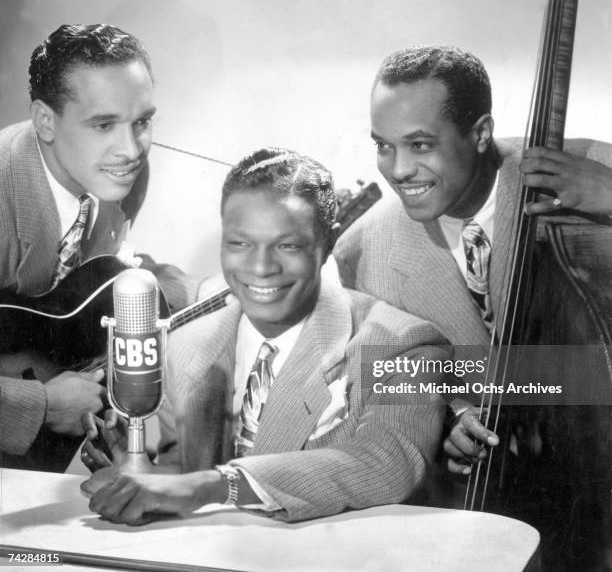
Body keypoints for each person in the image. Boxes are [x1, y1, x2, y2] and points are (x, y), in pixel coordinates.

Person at [334, 46, 612, 570]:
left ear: (481, 133)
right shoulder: (361, 250)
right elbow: (393, 378)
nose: (398, 169)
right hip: (496, 519)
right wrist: (449, 414)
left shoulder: (592, 171)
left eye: (419, 144)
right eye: (383, 146)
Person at [81, 147, 448, 524]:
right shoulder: (186, 344)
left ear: (329, 243)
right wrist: (139, 470)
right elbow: (185, 481)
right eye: (240, 243)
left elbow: (383, 461)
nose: (261, 268)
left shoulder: (404, 346)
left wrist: (214, 484)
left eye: (288, 245)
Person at [0, 24, 199, 471]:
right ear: (45, 121)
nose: (131, 150)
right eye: (103, 124)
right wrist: (39, 406)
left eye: (142, 122)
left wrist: (205, 288)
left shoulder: (117, 175)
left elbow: (91, 280)